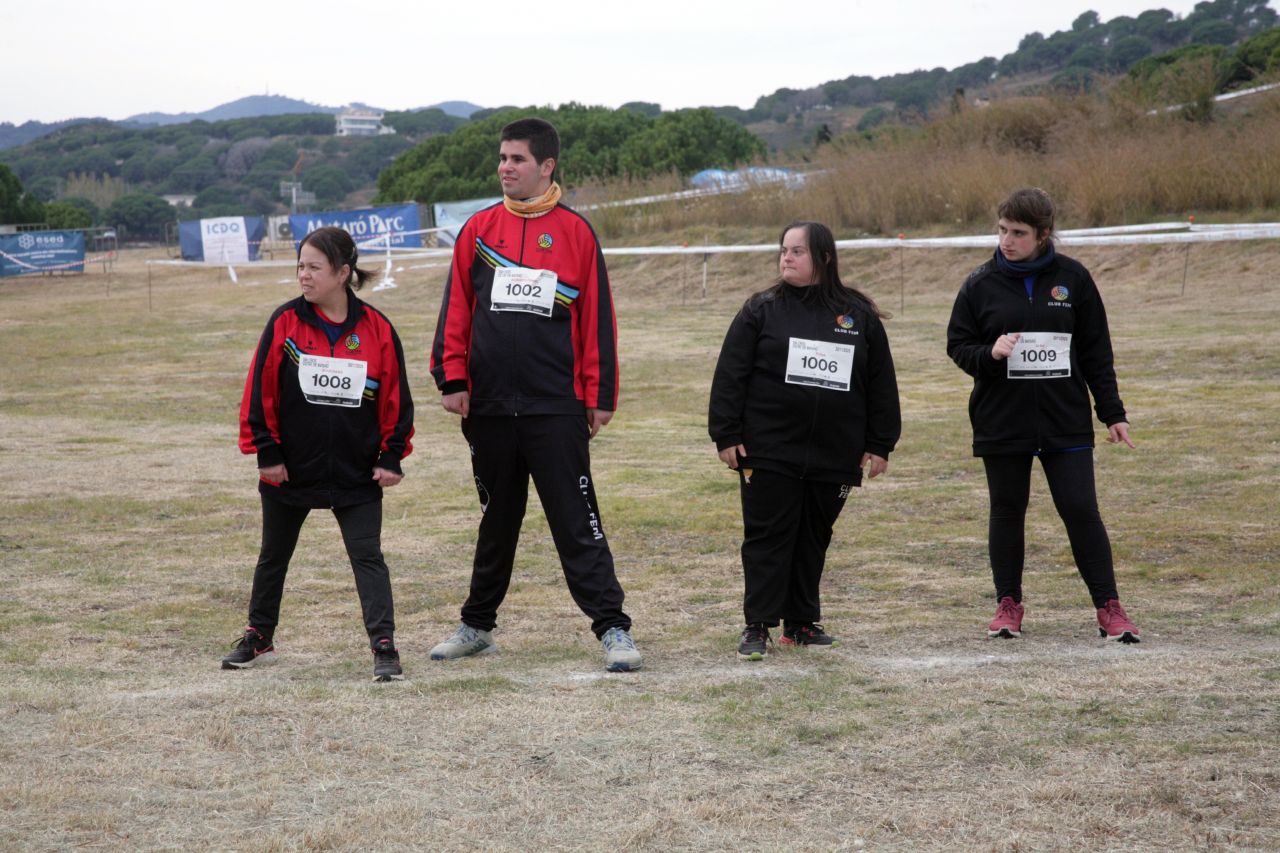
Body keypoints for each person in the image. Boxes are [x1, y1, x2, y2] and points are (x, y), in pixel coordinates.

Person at [427, 117, 641, 672]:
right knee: (496, 523)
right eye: (502, 157)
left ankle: (614, 629)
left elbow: (597, 320)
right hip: (491, 407)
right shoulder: (478, 230)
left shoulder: (576, 232)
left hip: (556, 407)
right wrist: (453, 378)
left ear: (546, 166)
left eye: (517, 159)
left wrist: (599, 394)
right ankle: (476, 627)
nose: (506, 167)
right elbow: (457, 308)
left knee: (577, 522)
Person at [946, 187, 1141, 643]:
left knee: (1080, 509)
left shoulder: (1073, 279)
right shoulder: (979, 283)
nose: (1006, 241)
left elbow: (1096, 352)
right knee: (1007, 510)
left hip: (1064, 420)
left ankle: (1109, 607)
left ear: (1043, 234)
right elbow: (958, 345)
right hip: (1002, 420)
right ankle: (1007, 605)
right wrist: (989, 353)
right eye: (1002, 230)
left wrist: (1112, 412)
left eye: (1018, 233)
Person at [223, 226, 415, 681]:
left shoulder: (377, 328)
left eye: (314, 267)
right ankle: (259, 636)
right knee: (273, 556)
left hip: (355, 473)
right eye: (300, 266)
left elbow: (396, 399)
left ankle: (383, 645)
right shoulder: (285, 322)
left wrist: (391, 456)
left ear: (343, 273)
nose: (303, 276)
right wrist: (266, 452)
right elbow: (259, 392)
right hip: (290, 470)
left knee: (368, 558)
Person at [709, 221, 901, 660]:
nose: (787, 257)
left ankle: (800, 623)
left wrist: (880, 442)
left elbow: (880, 383)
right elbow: (730, 375)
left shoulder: (858, 315)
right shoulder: (761, 309)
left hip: (835, 452)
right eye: (784, 250)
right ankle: (757, 625)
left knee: (814, 536)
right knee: (767, 536)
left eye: (797, 251)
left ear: (824, 258)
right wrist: (726, 433)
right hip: (768, 449)